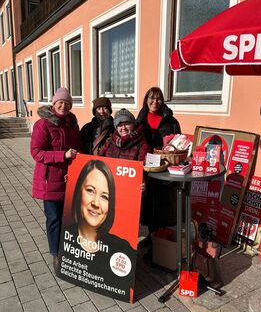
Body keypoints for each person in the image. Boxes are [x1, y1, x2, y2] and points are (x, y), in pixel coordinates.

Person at [58, 159, 136, 301]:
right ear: (78, 192)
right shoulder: (66, 236)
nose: (95, 203)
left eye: (104, 197)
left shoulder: (122, 249)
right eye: (90, 190)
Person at [30, 87, 81, 272]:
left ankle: (67, 248)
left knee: (67, 217)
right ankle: (56, 254)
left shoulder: (72, 124)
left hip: (69, 179)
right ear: (53, 103)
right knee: (53, 218)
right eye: (61, 102)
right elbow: (36, 152)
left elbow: (78, 148)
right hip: (50, 180)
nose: (64, 106)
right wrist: (63, 156)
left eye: (67, 103)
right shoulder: (43, 124)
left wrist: (76, 165)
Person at [137, 86, 181, 245]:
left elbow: (178, 144)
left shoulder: (171, 121)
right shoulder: (140, 119)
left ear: (162, 101)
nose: (155, 102)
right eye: (151, 98)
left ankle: (162, 237)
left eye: (158, 98)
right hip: (146, 167)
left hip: (165, 168)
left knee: (163, 202)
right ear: (146, 100)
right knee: (148, 203)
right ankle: (151, 235)